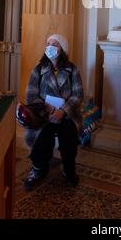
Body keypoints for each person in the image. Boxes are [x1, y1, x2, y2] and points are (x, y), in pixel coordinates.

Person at [23, 34, 84, 191]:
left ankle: (69, 170)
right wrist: (47, 109)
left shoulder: (72, 69)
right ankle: (38, 168)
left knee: (69, 137)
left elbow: (77, 95)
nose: (50, 47)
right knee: (41, 138)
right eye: (48, 43)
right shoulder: (38, 69)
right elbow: (31, 95)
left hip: (66, 114)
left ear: (62, 49)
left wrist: (63, 111)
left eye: (55, 44)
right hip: (43, 114)